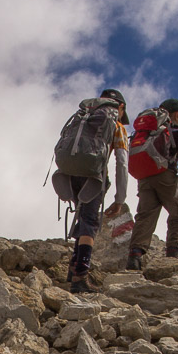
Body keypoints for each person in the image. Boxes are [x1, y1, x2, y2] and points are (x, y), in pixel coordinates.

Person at [52, 89, 129, 293]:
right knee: (90, 221)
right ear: (120, 107)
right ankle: (80, 276)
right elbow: (122, 162)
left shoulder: (83, 117)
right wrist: (120, 198)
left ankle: (73, 268)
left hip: (69, 172)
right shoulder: (117, 126)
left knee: (82, 216)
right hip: (94, 175)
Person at [127, 97, 178, 270]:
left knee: (145, 215)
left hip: (145, 177)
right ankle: (173, 254)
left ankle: (135, 256)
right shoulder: (177, 131)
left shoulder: (147, 131)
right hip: (166, 175)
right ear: (177, 114)